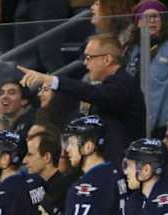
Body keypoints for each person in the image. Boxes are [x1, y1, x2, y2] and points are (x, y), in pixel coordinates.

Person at [19, 33, 146, 167]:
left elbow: (93, 93)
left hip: (125, 166)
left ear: (107, 59)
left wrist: (51, 80)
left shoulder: (122, 83)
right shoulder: (111, 84)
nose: (85, 63)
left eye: (89, 57)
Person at [125, 0, 168, 138]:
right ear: (138, 23)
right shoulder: (133, 49)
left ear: (163, 21)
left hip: (163, 123)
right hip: (134, 119)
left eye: (155, 16)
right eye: (146, 17)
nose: (152, 21)